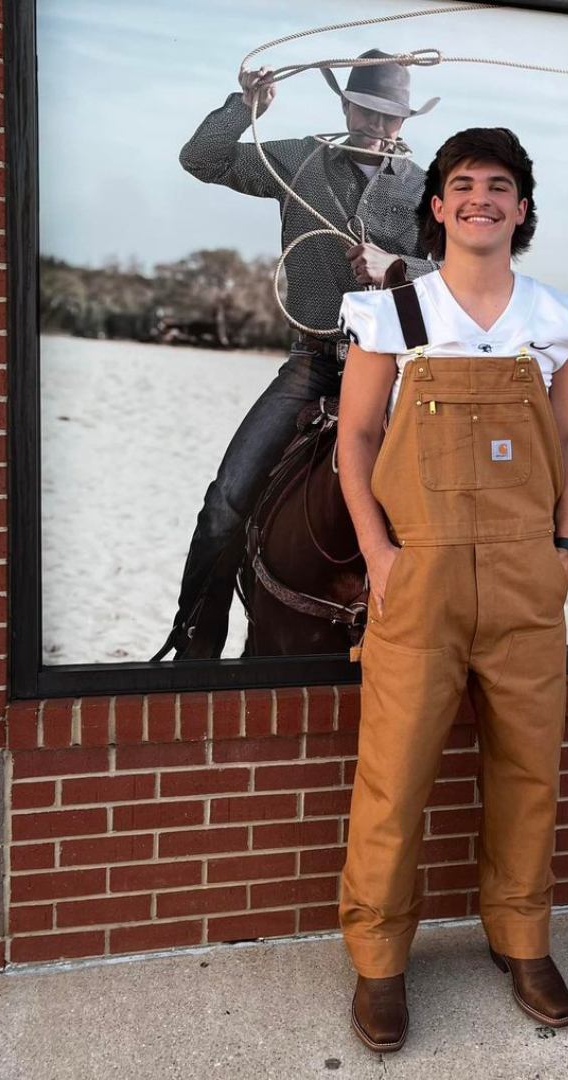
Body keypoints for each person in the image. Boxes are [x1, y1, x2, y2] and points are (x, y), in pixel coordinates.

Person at [335, 127, 568, 1052]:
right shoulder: (393, 316)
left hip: (528, 579)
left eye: (500, 185)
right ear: (437, 207)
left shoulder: (557, 318)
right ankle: (378, 962)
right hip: (421, 580)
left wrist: (564, 547)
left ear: (520, 210)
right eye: (462, 185)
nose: (480, 197)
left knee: (530, 773)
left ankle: (522, 941)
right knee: (394, 778)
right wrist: (381, 554)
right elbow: (357, 440)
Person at [153, 50, 438, 660]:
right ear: (345, 103)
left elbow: (460, 274)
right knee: (226, 500)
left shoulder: (426, 188)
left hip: (397, 371)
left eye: (389, 115)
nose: (377, 123)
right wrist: (243, 107)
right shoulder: (299, 159)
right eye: (366, 108)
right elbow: (202, 160)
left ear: (405, 118)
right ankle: (194, 645)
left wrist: (400, 269)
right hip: (314, 363)